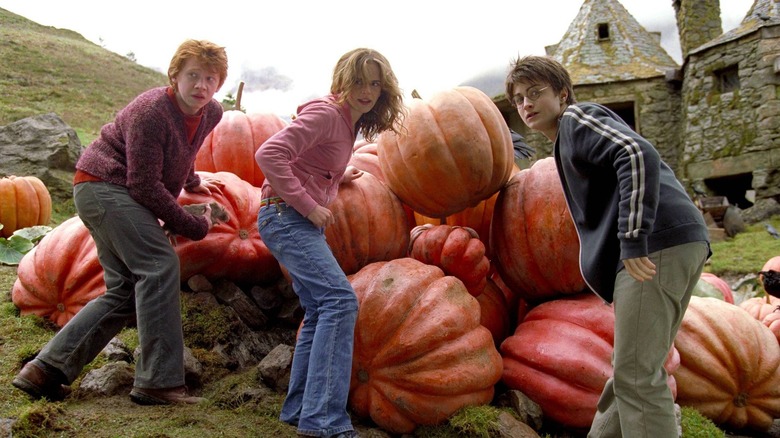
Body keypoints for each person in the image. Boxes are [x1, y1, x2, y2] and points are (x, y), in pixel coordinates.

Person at [12, 39, 229, 405]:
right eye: (193, 75)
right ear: (175, 75)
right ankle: (159, 382)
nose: (201, 86)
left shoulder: (212, 112)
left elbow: (183, 150)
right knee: (159, 266)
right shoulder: (151, 111)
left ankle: (45, 370)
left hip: (116, 192)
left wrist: (192, 182)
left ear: (219, 83)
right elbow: (143, 185)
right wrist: (195, 225)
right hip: (103, 188)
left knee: (125, 290)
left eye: (210, 78)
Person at [504, 55, 710, 437]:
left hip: (654, 246)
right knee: (630, 369)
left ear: (562, 93)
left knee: (636, 375)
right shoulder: (567, 139)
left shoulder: (576, 119)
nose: (526, 104)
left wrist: (632, 240)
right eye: (518, 99)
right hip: (674, 242)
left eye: (536, 93)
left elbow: (636, 153)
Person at [255, 48, 405, 438]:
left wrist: (338, 178)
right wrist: (308, 206)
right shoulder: (326, 113)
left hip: (291, 219)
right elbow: (269, 153)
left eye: (375, 83)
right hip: (286, 217)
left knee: (321, 308)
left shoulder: (347, 122)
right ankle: (323, 421)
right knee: (340, 301)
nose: (367, 90)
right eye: (359, 81)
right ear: (343, 81)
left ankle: (301, 409)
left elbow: (310, 164)